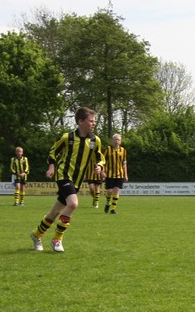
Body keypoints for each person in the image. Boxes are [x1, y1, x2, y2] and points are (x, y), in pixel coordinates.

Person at [30, 107, 104, 253]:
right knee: (73, 204)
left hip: (77, 180)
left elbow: (100, 157)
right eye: (91, 121)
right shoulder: (67, 138)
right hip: (63, 175)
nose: (94, 124)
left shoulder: (95, 140)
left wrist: (100, 166)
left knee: (55, 212)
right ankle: (57, 239)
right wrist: (51, 167)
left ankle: (36, 234)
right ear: (80, 121)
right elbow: (52, 152)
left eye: (94, 121)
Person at [102, 133, 128, 213]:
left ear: (120, 141)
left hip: (119, 174)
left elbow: (124, 163)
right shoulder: (108, 149)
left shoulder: (123, 150)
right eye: (115, 139)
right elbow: (103, 161)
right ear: (112, 141)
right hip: (109, 174)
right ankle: (107, 203)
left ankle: (113, 209)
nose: (117, 141)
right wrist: (103, 171)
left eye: (118, 140)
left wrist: (125, 175)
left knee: (116, 190)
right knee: (109, 191)